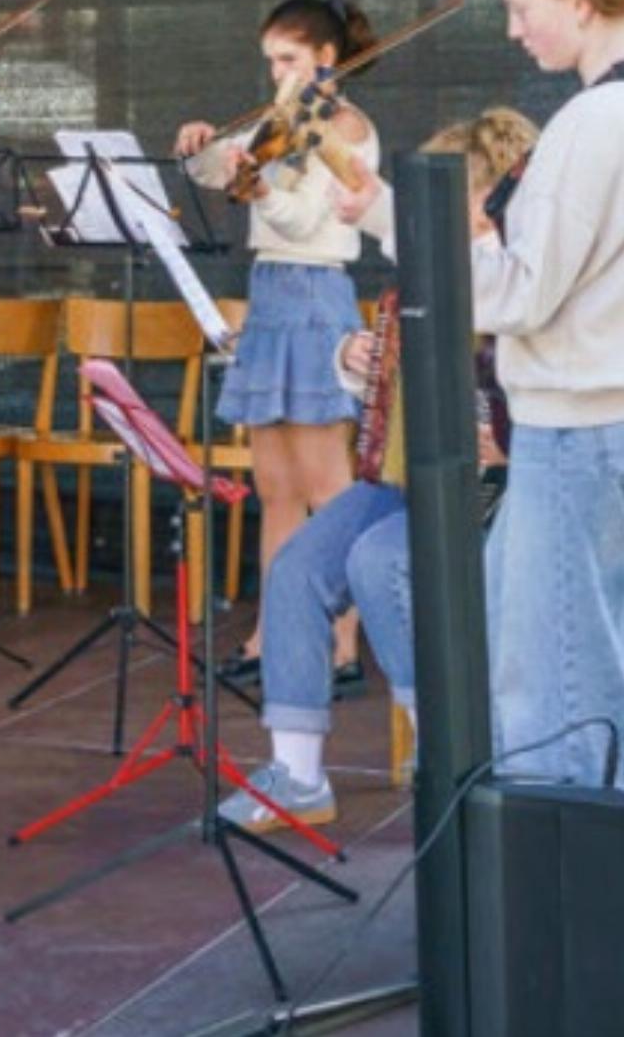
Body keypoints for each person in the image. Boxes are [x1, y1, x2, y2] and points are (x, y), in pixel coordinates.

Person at [218, 109, 536, 831]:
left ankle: (448, 749)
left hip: (494, 495)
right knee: (297, 566)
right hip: (413, 484)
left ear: (491, 202)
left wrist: (511, 444)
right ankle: (298, 776)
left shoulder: (523, 283)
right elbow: (392, 393)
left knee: (378, 560)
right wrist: (355, 364)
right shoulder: (428, 277)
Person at [174, 0, 384, 694]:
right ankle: (274, 633)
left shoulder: (347, 129)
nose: (276, 75)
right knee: (278, 488)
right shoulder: (277, 123)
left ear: (327, 59)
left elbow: (297, 219)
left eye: (289, 60)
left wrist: (256, 186)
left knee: (329, 487)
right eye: (270, 62)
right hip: (270, 297)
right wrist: (204, 147)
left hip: (316, 297)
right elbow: (218, 174)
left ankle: (344, 643)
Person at [473, 0, 624, 789]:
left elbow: (521, 294)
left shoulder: (589, 124)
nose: (512, 30)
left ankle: (560, 915)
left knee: (554, 694)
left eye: (521, 7)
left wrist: (399, 225)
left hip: (577, 433)